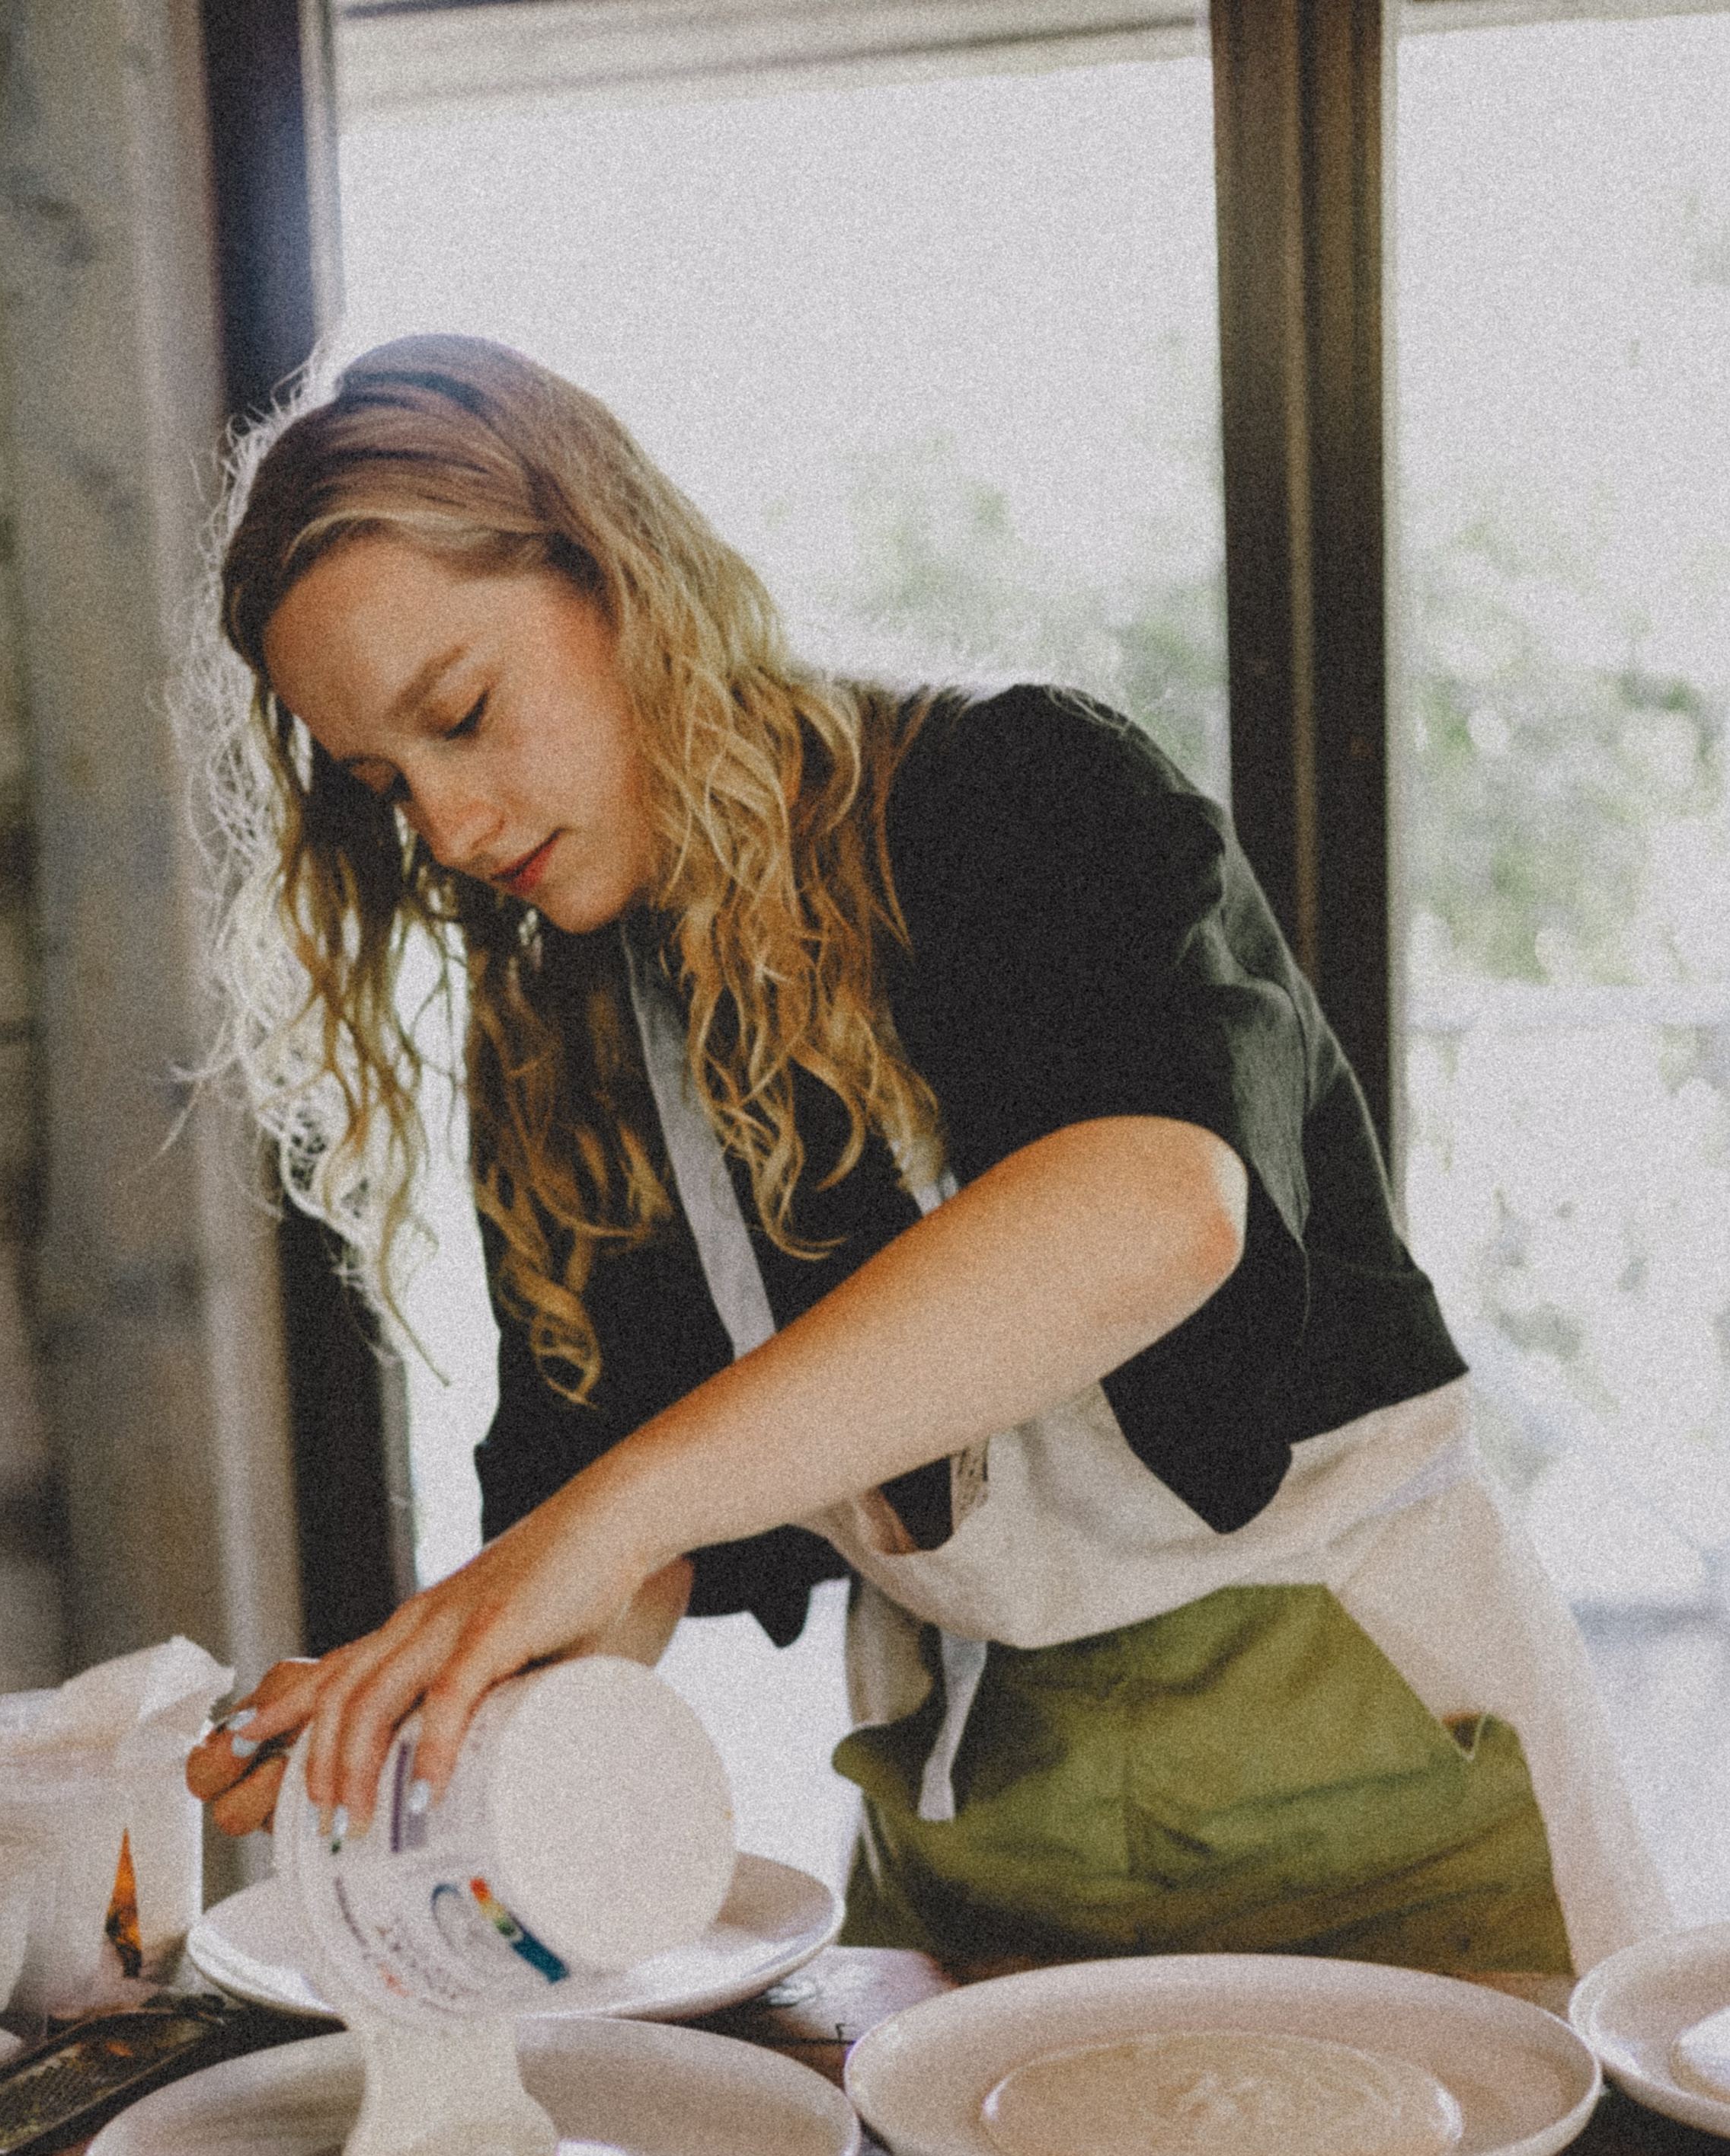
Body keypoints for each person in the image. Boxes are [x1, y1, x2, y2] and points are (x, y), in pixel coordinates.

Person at [187, 333, 1666, 1982]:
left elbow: (1155, 1209)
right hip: (968, 1841)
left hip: (1370, 1773)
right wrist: (443, 1705)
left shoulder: (1014, 792)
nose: (450, 832)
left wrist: (608, 1516)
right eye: (387, 786)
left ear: (619, 576)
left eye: (462, 715)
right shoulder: (561, 1029)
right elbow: (612, 1549)